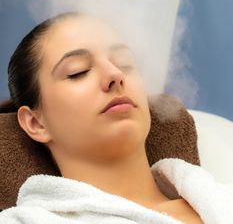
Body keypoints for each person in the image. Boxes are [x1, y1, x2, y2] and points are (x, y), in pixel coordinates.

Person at [0, 12, 232, 224]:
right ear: (36, 123)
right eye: (77, 71)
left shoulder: (224, 201)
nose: (115, 74)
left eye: (125, 63)